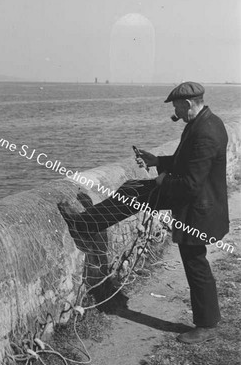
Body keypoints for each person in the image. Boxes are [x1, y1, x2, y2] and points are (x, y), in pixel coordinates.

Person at [59, 81, 229, 344]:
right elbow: (187, 161)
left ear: (188, 103)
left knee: (195, 263)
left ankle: (206, 325)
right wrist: (157, 161)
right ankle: (87, 223)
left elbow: (191, 184)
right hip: (198, 204)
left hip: (197, 209)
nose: (176, 112)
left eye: (176, 106)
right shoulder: (204, 123)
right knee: (131, 190)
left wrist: (162, 181)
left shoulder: (205, 131)